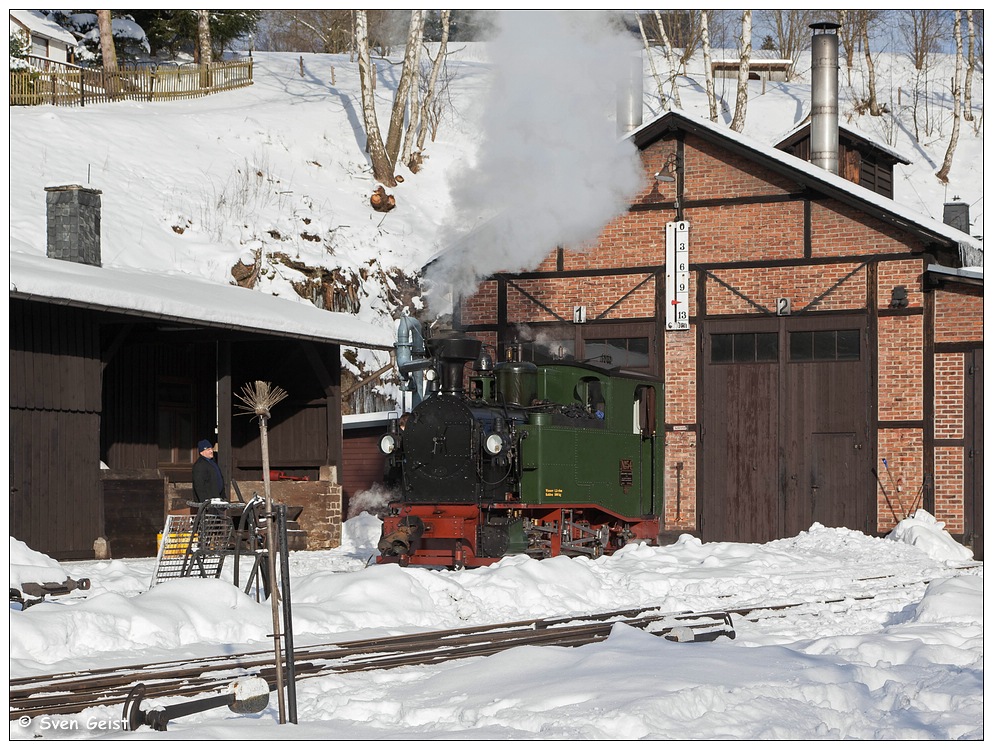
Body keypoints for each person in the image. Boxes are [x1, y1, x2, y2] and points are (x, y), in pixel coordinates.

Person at [192, 439, 225, 504]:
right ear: (201, 452)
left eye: (211, 449)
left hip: (217, 498)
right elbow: (199, 484)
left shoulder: (212, 462)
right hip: (209, 501)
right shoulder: (200, 465)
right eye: (208, 449)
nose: (211, 451)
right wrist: (204, 501)